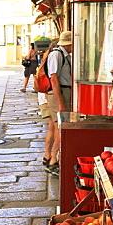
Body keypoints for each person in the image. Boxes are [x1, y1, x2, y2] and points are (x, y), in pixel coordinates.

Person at [43, 31, 73, 175]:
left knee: (53, 126)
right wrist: (61, 103)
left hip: (61, 92)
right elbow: (54, 79)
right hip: (59, 93)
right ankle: (54, 161)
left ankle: (48, 157)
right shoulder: (57, 55)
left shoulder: (63, 55)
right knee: (60, 127)